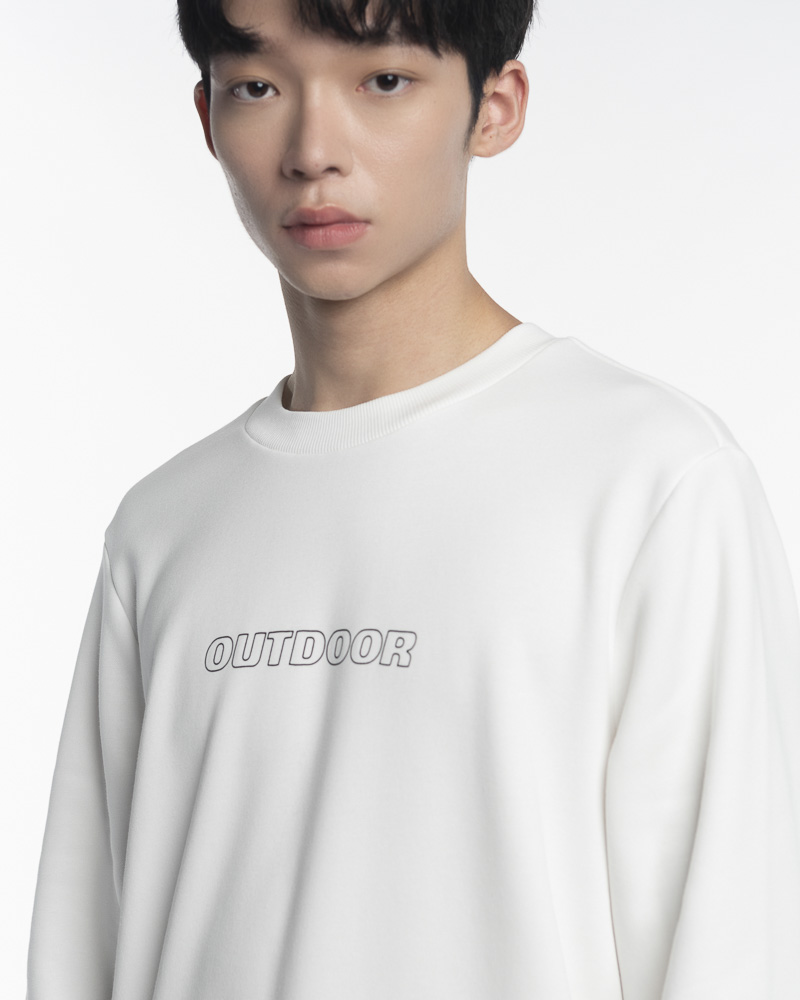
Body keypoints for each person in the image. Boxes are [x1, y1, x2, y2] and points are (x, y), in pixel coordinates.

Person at [25, 0, 800, 997]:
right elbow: (80, 956)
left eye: (382, 81)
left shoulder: (651, 482)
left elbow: (729, 948)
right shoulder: (162, 528)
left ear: (494, 107)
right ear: (208, 119)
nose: (312, 150)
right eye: (257, 86)